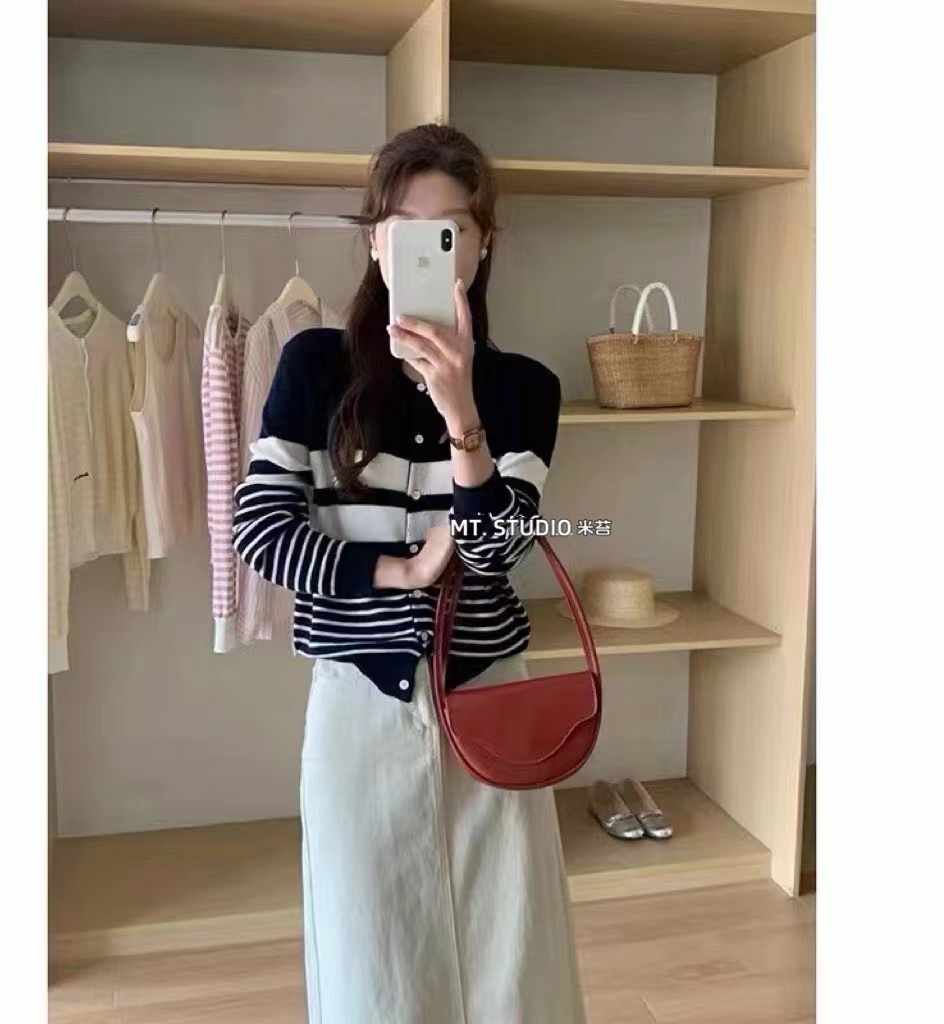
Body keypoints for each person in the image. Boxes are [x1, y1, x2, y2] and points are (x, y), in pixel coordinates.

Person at [232, 123, 587, 1024]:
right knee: (372, 958)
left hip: (491, 692)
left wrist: (463, 413)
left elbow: (498, 550)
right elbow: (260, 531)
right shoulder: (314, 367)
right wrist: (398, 569)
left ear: (483, 244)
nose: (429, 246)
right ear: (374, 243)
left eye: (451, 229)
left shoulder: (525, 388)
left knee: (510, 958)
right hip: (358, 702)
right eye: (404, 227)